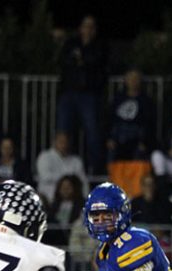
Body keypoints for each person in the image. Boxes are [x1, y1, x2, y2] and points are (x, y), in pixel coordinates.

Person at [56, 15, 107, 174]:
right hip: (69, 92)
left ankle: (94, 168)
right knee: (64, 131)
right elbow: (65, 61)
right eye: (85, 26)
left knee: (92, 132)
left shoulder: (99, 45)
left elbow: (97, 63)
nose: (88, 29)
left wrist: (82, 60)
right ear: (80, 28)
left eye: (91, 26)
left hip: (89, 94)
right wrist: (81, 61)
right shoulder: (71, 43)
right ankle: (60, 167)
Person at [106, 68, 156, 162]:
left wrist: (144, 141)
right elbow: (110, 119)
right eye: (130, 78)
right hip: (118, 132)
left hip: (136, 133)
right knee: (112, 149)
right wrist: (110, 138)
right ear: (125, 80)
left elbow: (149, 122)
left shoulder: (145, 101)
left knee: (139, 151)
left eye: (136, 78)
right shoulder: (118, 98)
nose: (133, 81)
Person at [35, 131, 89, 202]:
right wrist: (68, 178)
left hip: (72, 202)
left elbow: (83, 180)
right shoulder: (45, 156)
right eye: (61, 141)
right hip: (48, 200)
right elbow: (45, 176)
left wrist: (86, 199)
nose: (63, 144)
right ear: (54, 142)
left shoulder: (76, 160)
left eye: (66, 141)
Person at [43, 175, 86, 248]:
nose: (65, 190)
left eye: (68, 187)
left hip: (73, 235)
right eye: (62, 187)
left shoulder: (81, 205)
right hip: (56, 237)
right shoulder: (54, 206)